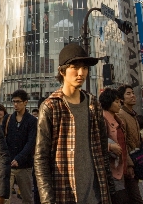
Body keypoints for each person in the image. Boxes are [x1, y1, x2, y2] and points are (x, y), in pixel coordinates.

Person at [34, 43, 114, 204]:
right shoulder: (51, 106)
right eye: (74, 67)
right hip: (65, 192)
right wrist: (47, 200)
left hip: (96, 193)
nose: (81, 73)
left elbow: (102, 150)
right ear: (62, 71)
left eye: (84, 68)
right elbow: (41, 158)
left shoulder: (93, 104)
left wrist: (110, 189)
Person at [5, 90, 37, 204]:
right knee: (4, 198)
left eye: (18, 102)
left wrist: (19, 158)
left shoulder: (32, 121)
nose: (15, 105)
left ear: (25, 102)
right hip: (8, 165)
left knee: (27, 198)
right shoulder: (8, 119)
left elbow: (31, 142)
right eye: (14, 102)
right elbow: (3, 140)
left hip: (25, 166)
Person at [116, 84, 143, 204]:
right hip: (128, 162)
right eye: (128, 93)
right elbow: (123, 141)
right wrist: (129, 164)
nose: (133, 95)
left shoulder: (132, 114)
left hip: (136, 159)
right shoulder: (121, 115)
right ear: (121, 99)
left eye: (133, 93)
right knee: (135, 198)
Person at [100, 88, 129, 204]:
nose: (119, 104)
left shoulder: (118, 120)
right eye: (116, 101)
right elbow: (95, 141)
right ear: (108, 102)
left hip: (122, 166)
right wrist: (110, 147)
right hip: (111, 169)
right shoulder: (102, 119)